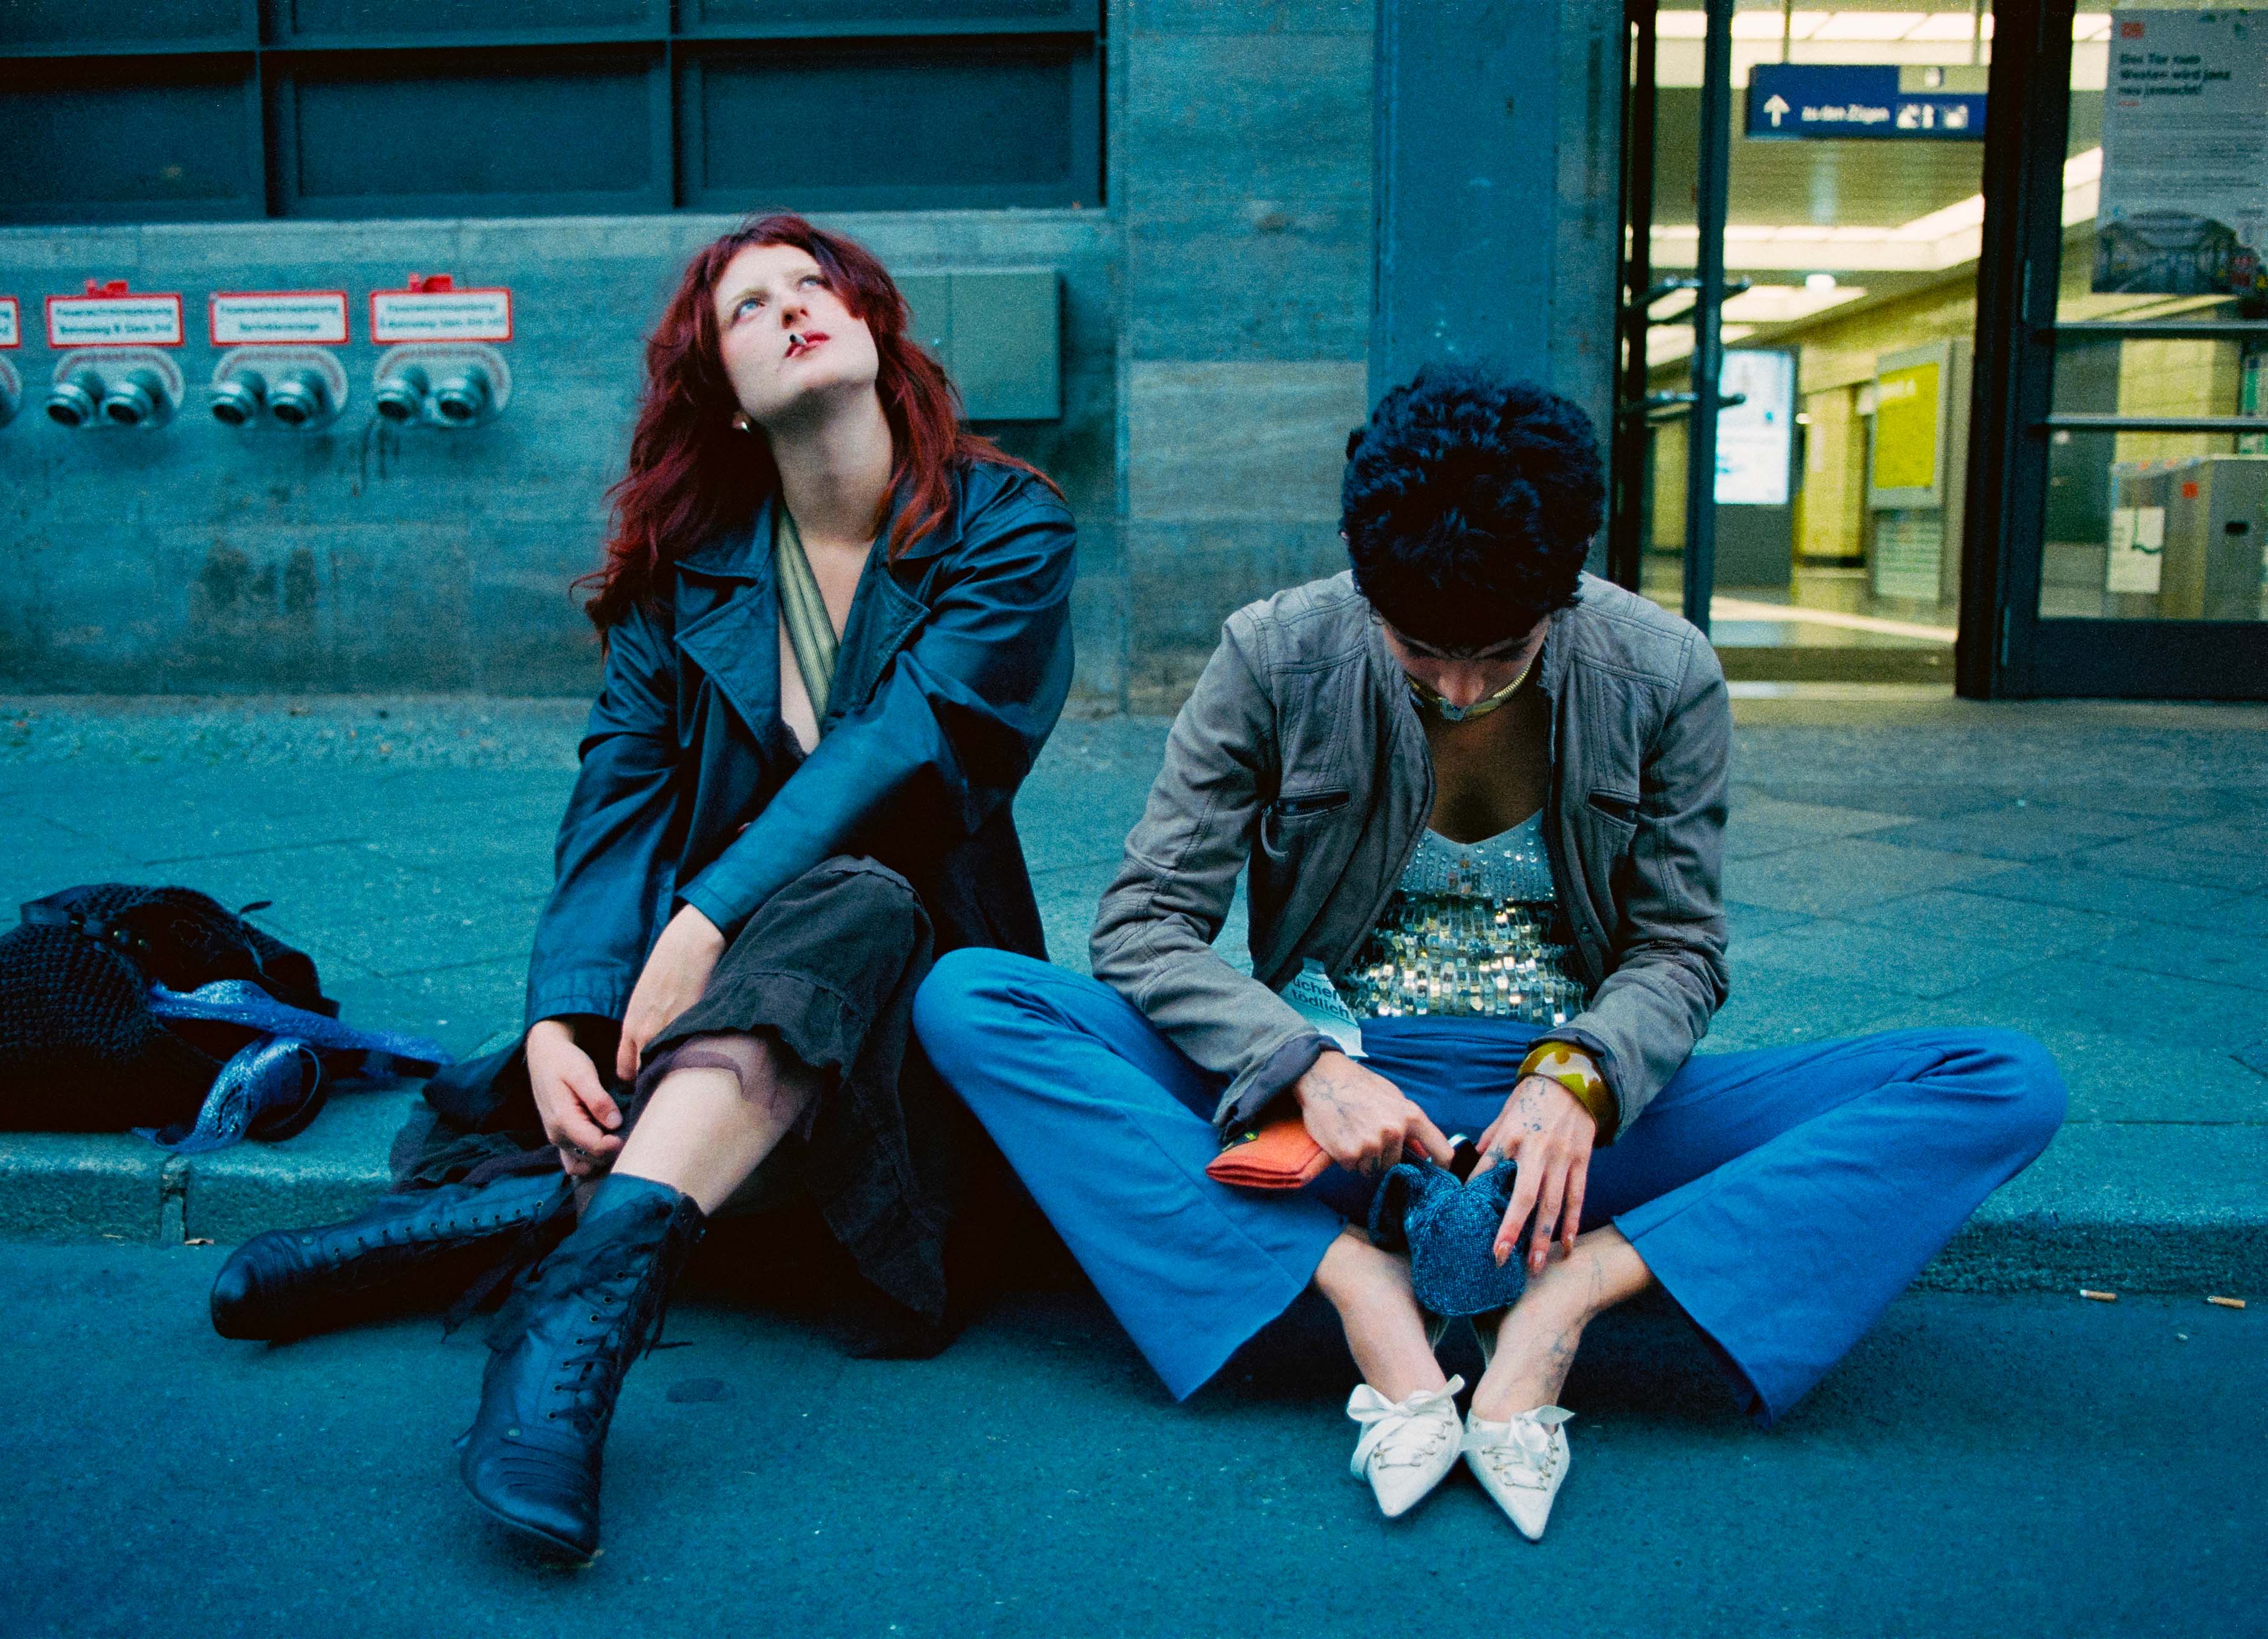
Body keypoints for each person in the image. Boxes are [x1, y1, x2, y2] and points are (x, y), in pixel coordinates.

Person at [912, 362, 2064, 1539]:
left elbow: (1680, 947)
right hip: (1326, 1110)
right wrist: (1307, 1068)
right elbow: (1143, 926)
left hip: (1573, 1130)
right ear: (1366, 592)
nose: (1459, 689)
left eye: (1500, 653)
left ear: (1562, 597)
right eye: (1420, 652)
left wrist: (1578, 1080)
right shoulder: (1273, 652)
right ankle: (1356, 1281)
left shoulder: (1662, 672)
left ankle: (1572, 1289)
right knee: (970, 997)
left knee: (2003, 1080)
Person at [205, 214, 1075, 1562]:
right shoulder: (688, 582)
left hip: (915, 1025)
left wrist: (703, 915)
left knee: (864, 898)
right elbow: (615, 803)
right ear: (720, 396)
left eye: (816, 287)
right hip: (717, 1021)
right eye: (749, 308)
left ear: (874, 328)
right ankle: (542, 1254)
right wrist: (565, 1011)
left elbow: (908, 752)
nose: (793, 309)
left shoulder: (1008, 529)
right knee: (645, 1029)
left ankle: (545, 1299)